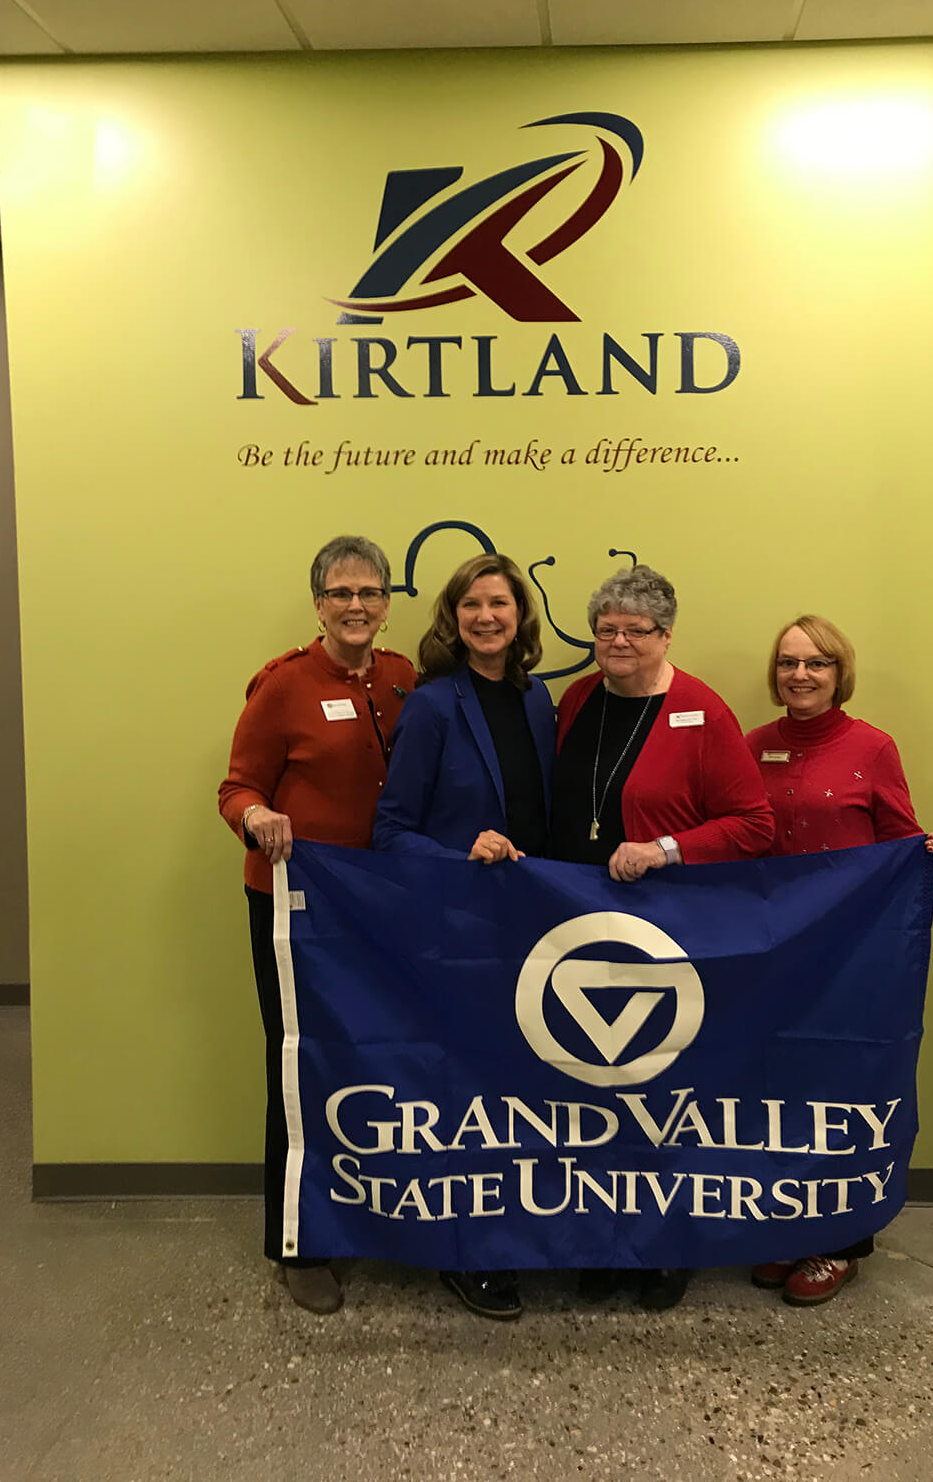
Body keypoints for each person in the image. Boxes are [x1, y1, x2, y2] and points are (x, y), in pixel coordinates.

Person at [550, 564, 776, 1311]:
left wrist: (665, 849)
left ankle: (664, 1248)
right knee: (587, 1092)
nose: (618, 641)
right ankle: (597, 1241)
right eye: (606, 629)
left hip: (667, 934)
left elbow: (754, 825)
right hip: (577, 925)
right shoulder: (575, 699)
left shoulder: (701, 711)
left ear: (665, 636)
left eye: (636, 630)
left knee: (660, 1097)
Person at [745, 613, 933, 1307]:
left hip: (849, 960)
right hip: (770, 954)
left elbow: (901, 846)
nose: (801, 675)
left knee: (839, 1092)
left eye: (817, 663)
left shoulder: (872, 747)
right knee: (777, 1092)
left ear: (841, 673)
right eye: (788, 663)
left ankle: (839, 1242)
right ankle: (787, 1224)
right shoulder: (751, 746)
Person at [218, 535, 414, 1315]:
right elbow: (236, 787)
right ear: (318, 604)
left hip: (382, 908)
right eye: (341, 594)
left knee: (380, 1060)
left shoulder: (403, 679)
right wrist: (260, 813)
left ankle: (381, 1218)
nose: (356, 606)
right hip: (293, 906)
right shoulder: (284, 685)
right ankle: (299, 1242)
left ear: (387, 603)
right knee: (300, 1065)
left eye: (370, 592)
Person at [373, 552, 556, 1322]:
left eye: (501, 604)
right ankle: (468, 1253)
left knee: (528, 1097)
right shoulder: (434, 704)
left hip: (533, 932)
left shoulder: (540, 699)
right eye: (473, 605)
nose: (488, 617)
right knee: (470, 1099)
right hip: (459, 931)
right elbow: (390, 833)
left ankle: (526, 1236)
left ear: (521, 618)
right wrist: (461, 855)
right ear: (454, 618)